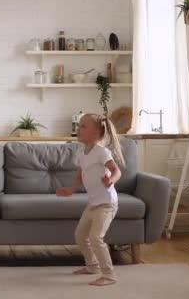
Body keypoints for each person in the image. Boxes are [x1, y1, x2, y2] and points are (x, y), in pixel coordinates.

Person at [56, 113, 125, 286]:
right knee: (80, 235)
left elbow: (117, 171)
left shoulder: (101, 152)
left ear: (96, 133)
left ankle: (109, 275)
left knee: (96, 238)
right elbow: (79, 178)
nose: (78, 129)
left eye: (83, 126)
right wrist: (70, 190)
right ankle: (93, 266)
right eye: (79, 126)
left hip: (107, 204)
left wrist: (111, 181)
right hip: (93, 203)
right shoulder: (81, 153)